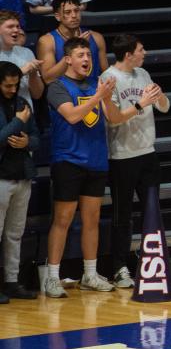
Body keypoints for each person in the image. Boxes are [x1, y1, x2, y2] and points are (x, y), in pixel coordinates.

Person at [43, 37, 116, 298]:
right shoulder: (57, 87)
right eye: (81, 55)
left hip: (96, 160)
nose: (87, 59)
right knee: (62, 220)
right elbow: (73, 115)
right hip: (68, 160)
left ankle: (90, 273)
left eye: (89, 54)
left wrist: (138, 105)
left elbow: (113, 118)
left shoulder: (96, 85)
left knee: (92, 221)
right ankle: (52, 277)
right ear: (68, 59)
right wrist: (98, 96)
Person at [100, 35, 170, 288]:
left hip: (147, 152)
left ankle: (150, 263)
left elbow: (164, 107)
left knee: (152, 211)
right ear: (128, 54)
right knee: (123, 215)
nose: (145, 52)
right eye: (141, 50)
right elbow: (113, 118)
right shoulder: (108, 79)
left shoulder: (143, 73)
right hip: (122, 156)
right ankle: (118, 267)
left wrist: (159, 96)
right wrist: (141, 104)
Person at [0, 61, 39, 301]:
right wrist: (17, 122)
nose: (13, 90)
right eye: (8, 86)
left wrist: (28, 143)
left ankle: (12, 281)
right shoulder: (20, 111)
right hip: (0, 178)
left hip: (22, 175)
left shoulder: (23, 103)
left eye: (16, 85)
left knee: (15, 233)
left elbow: (37, 136)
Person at [37, 0, 108, 83]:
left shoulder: (96, 38)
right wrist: (75, 47)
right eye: (68, 12)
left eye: (76, 10)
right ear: (57, 16)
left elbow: (106, 75)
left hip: (94, 92)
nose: (74, 15)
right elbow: (48, 79)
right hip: (65, 94)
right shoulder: (47, 41)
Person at [0, 11, 43, 106]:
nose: (16, 30)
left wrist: (33, 75)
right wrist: (21, 72)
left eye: (18, 26)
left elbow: (37, 94)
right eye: (10, 27)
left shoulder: (27, 53)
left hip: (26, 113)